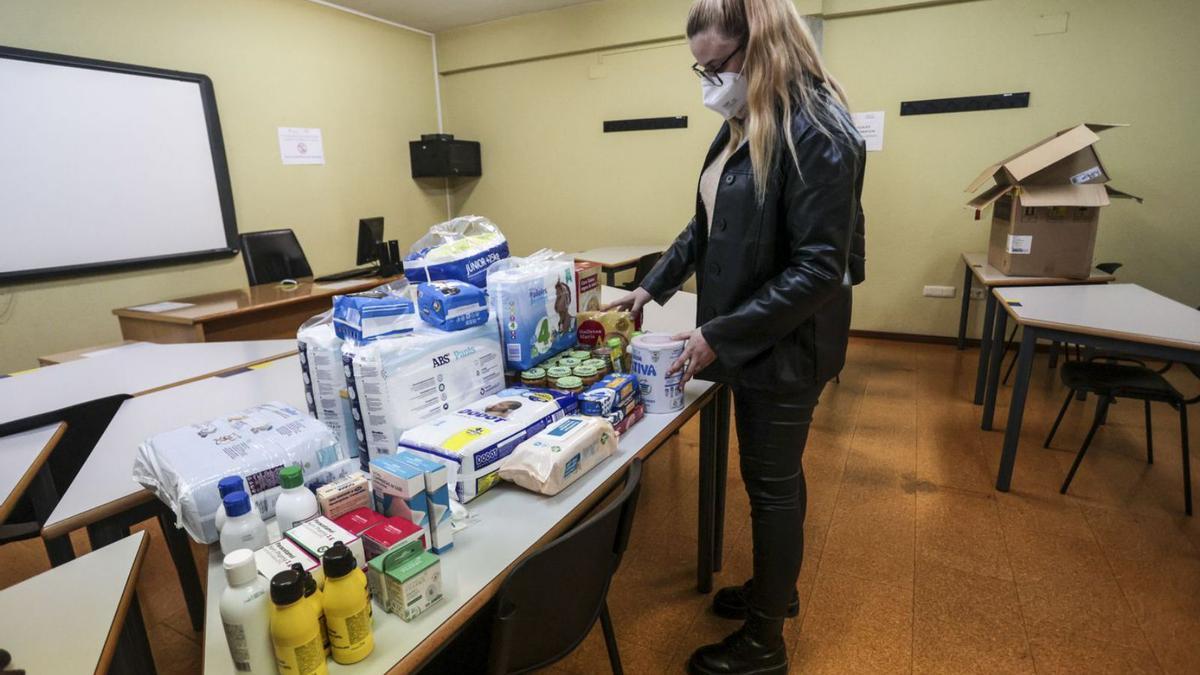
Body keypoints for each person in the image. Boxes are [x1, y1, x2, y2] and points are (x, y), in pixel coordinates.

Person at [607, 0, 865, 672]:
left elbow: (818, 268)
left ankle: (764, 641)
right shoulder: (742, 121)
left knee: (771, 481)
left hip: (787, 343)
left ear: (761, 48)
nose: (707, 81)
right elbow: (704, 223)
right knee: (775, 477)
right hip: (754, 332)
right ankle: (777, 591)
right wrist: (651, 285)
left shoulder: (817, 129)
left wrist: (718, 332)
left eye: (714, 65)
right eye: (698, 68)